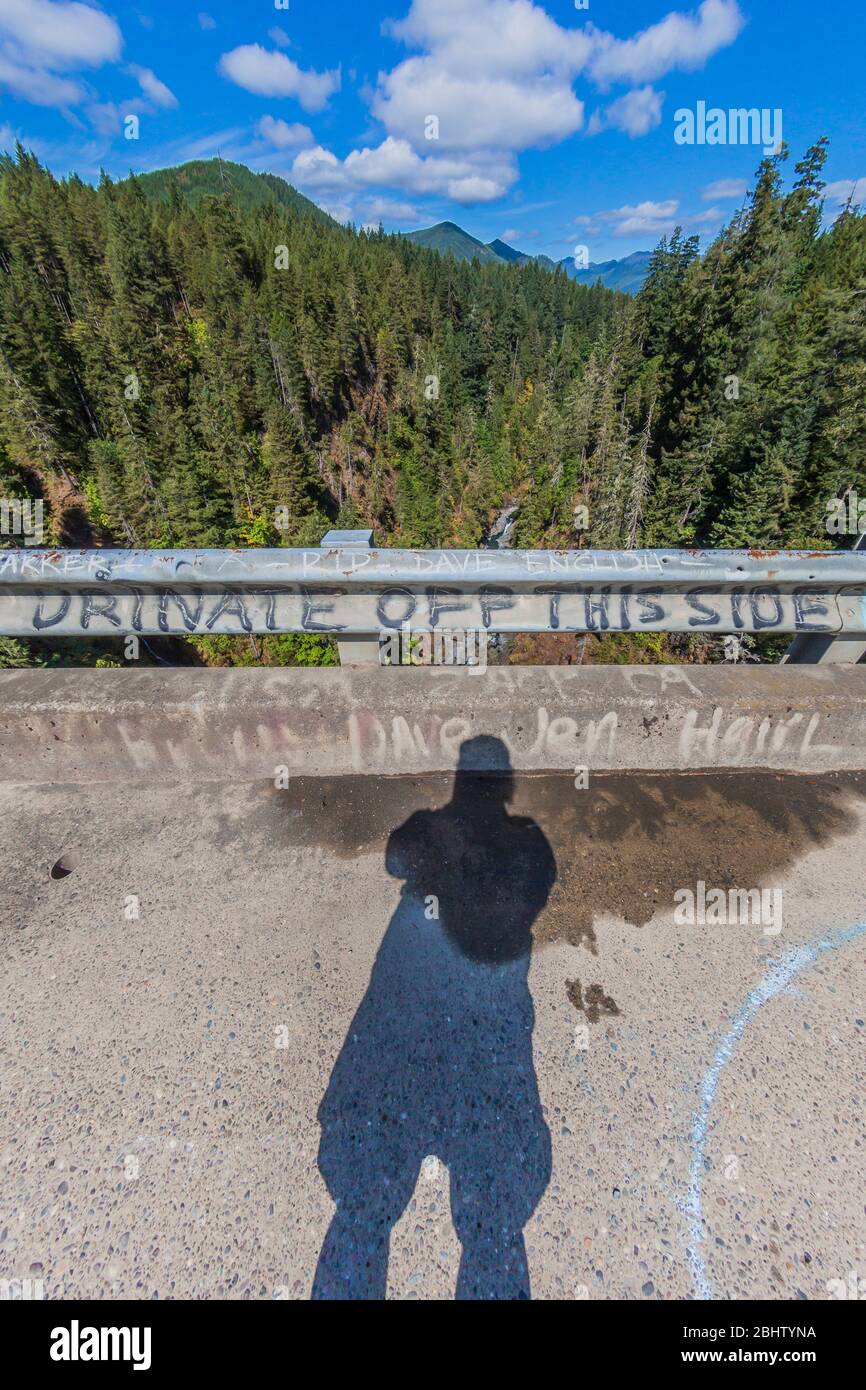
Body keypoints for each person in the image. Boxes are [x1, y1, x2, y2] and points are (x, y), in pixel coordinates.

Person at [313, 736, 556, 1299]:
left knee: (361, 1215)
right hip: (491, 1029)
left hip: (402, 1018)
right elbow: (536, 893)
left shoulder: (430, 828)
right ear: (507, 786)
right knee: (493, 1230)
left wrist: (440, 841)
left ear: (458, 783)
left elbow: (395, 858)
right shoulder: (528, 841)